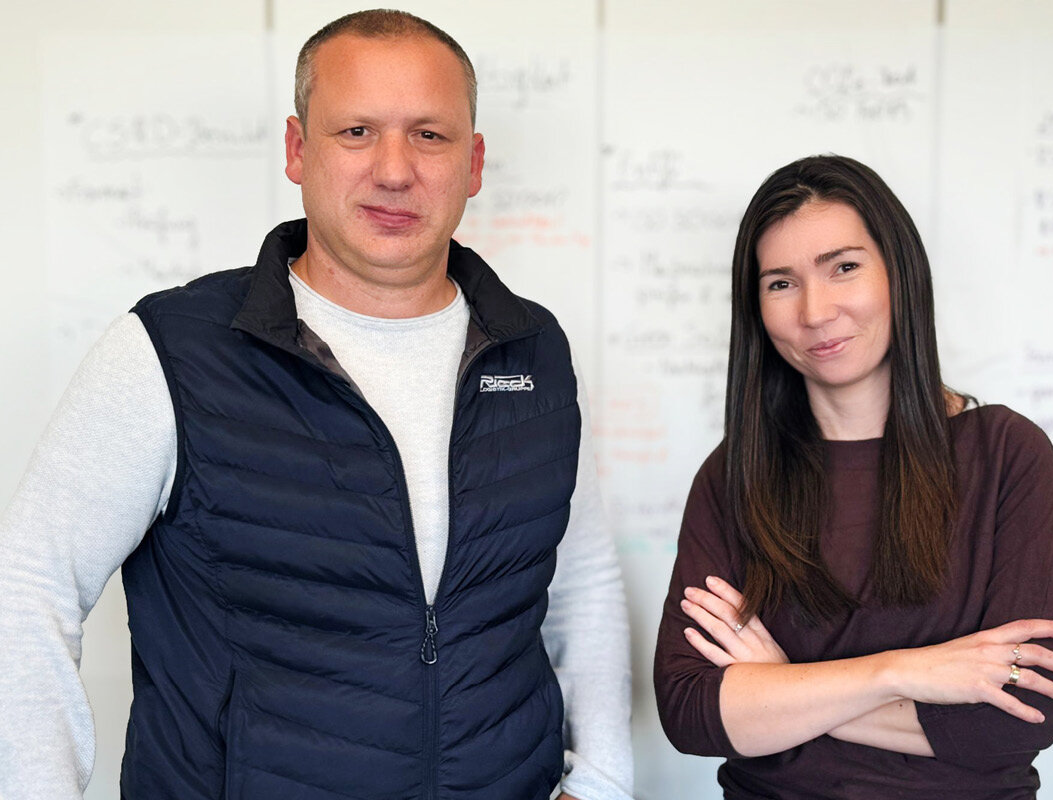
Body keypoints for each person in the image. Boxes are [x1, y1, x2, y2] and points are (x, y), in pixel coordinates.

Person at [0, 10, 632, 800]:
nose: (395, 170)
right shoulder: (174, 352)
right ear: (299, 151)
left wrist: (603, 782)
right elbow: (27, 584)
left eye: (430, 136)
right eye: (357, 131)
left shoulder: (532, 349)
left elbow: (580, 576)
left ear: (473, 163)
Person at [653, 154, 1053, 798]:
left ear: (899, 275)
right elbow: (690, 709)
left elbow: (1019, 721)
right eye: (780, 283)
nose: (816, 311)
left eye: (843, 268)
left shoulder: (1006, 454)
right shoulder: (732, 477)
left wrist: (782, 683)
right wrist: (901, 674)